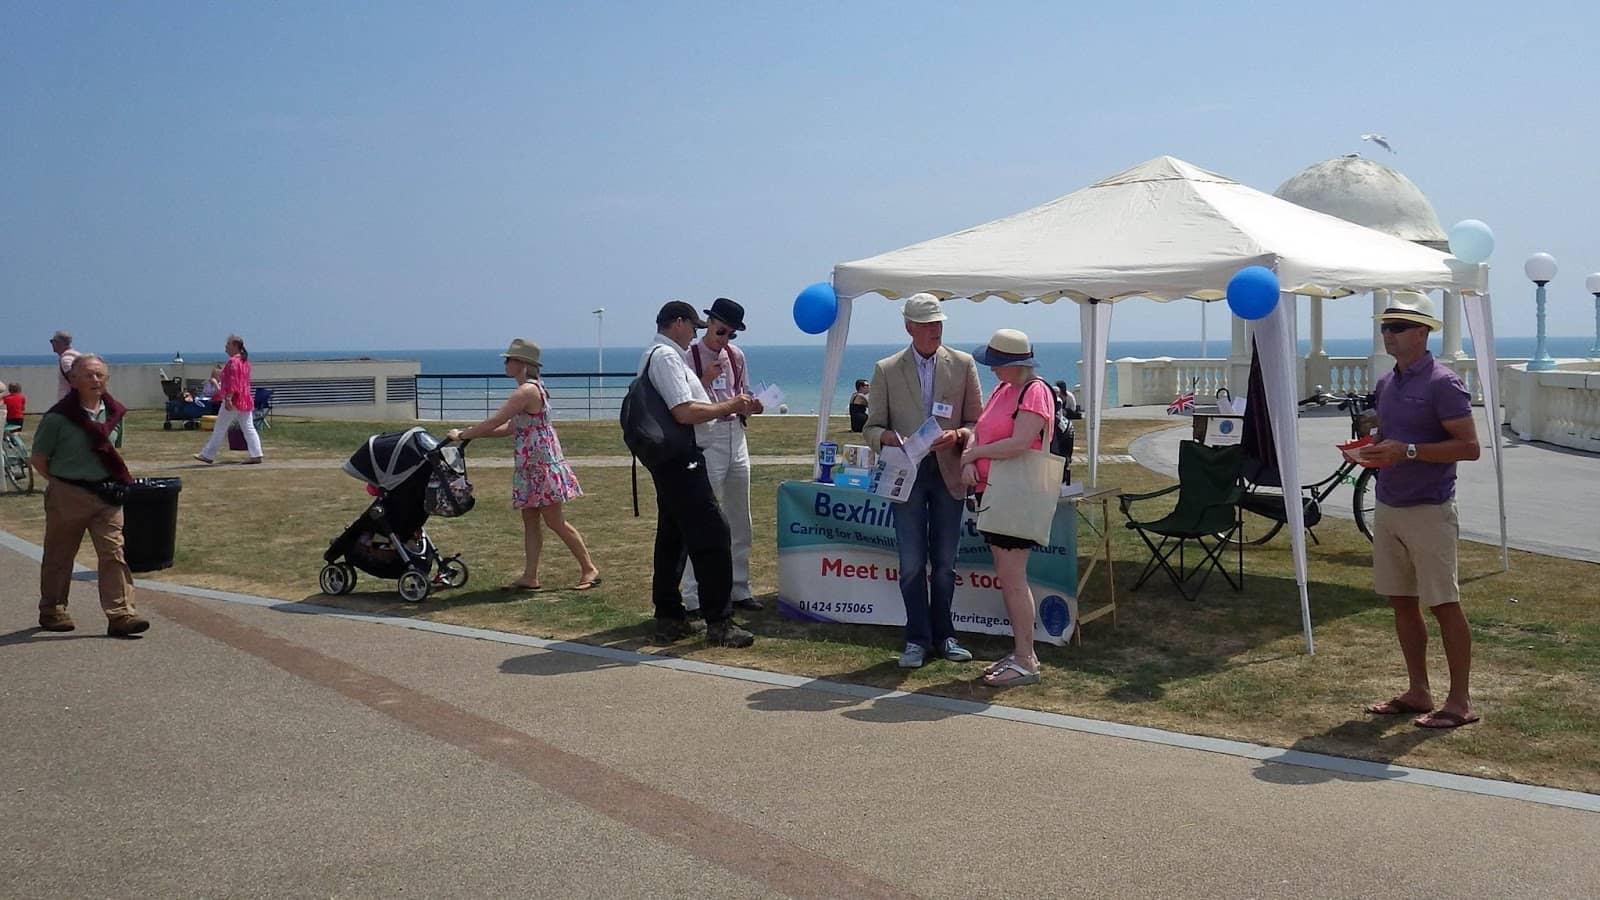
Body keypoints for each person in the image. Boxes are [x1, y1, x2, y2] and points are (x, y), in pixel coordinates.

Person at [1356, 293, 1481, 729]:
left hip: (1430, 508)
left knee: (1443, 602)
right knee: (1401, 601)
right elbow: (1389, 437)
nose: (1387, 333)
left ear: (1423, 332)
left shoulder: (1443, 383)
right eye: (1385, 326)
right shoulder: (1388, 383)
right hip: (1389, 503)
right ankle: (1418, 690)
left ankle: (1460, 701)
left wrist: (1407, 450)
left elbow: (1470, 447)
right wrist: (1370, 448)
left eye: (1397, 327)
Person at [862, 293, 983, 669]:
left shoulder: (963, 364)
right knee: (912, 563)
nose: (935, 330)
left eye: (939, 323)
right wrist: (889, 438)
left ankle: (945, 636)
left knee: (945, 563)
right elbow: (871, 427)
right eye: (928, 324)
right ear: (909, 327)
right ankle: (917, 638)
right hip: (906, 475)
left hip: (948, 472)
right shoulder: (886, 368)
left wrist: (959, 436)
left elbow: (977, 422)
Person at [638, 300, 758, 648]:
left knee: (673, 536)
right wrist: (730, 406)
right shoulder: (666, 356)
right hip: (683, 456)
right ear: (677, 323)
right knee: (713, 534)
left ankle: (669, 615)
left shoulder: (656, 354)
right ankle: (718, 620)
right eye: (694, 325)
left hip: (672, 455)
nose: (697, 331)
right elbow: (684, 410)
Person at [447, 339, 600, 593]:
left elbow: (496, 419)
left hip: (541, 465)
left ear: (522, 363)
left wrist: (464, 434)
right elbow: (509, 428)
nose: (505, 363)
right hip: (530, 465)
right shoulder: (532, 390)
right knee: (530, 519)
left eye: (509, 359)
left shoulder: (526, 392)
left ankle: (589, 568)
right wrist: (474, 435)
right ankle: (530, 576)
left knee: (554, 520)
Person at [29, 354, 149, 637]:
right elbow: (39, 459)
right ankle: (53, 610)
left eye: (100, 375)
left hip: (107, 494)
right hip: (68, 492)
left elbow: (112, 450)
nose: (95, 380)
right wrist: (63, 484)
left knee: (113, 552)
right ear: (73, 380)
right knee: (60, 554)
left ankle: (121, 615)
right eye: (88, 375)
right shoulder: (58, 418)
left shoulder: (114, 413)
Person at [960, 329, 1053, 686]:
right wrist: (972, 454)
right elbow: (981, 430)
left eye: (998, 364)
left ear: (1016, 364)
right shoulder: (1004, 389)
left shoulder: (1035, 391)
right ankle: (1020, 652)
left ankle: (1027, 658)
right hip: (993, 490)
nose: (992, 370)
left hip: (1017, 493)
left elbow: (1018, 442)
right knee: (1007, 575)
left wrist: (975, 454)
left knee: (1013, 578)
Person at [680, 297, 763, 615]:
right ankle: (693, 595)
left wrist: (753, 405)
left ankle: (739, 588)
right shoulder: (690, 356)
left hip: (736, 435)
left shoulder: (736, 356)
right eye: (720, 331)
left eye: (730, 334)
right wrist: (705, 380)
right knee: (703, 517)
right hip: (708, 437)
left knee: (741, 516)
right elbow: (682, 402)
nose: (724, 339)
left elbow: (744, 392)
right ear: (709, 323)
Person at [192, 334, 264, 464]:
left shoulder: (233, 362)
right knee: (248, 427)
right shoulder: (245, 361)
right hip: (245, 398)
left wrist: (229, 398)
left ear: (235, 346)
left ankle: (208, 454)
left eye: (228, 345)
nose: (226, 348)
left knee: (220, 427)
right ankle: (256, 454)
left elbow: (232, 382)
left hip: (234, 399)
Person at [49, 330, 80, 401]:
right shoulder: (77, 356)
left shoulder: (66, 360)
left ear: (58, 342)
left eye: (52, 341)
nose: (51, 344)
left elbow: (74, 381)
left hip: (69, 402)